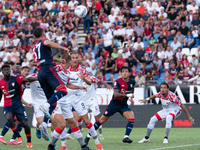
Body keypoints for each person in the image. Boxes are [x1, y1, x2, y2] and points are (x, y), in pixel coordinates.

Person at [33, 27, 69, 142]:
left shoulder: (35, 46)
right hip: (48, 70)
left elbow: (44, 58)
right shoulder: (43, 41)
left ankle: (43, 123)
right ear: (43, 34)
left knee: (53, 102)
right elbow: (48, 42)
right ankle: (46, 105)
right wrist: (63, 47)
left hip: (40, 73)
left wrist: (59, 60)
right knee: (63, 90)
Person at [62, 51, 103, 150]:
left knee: (87, 121)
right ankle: (63, 145)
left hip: (78, 98)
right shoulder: (65, 69)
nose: (75, 59)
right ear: (70, 59)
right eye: (73, 58)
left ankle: (97, 143)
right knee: (62, 122)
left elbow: (89, 83)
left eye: (76, 57)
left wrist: (84, 78)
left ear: (79, 58)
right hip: (66, 97)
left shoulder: (83, 70)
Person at [84, 66, 135, 144]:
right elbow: (116, 94)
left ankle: (126, 137)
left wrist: (131, 99)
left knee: (131, 118)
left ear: (129, 73)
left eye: (126, 71)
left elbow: (131, 91)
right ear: (121, 73)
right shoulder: (117, 81)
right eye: (123, 71)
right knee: (101, 120)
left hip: (123, 105)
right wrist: (128, 96)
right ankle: (88, 137)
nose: (124, 73)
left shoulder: (132, 82)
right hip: (114, 104)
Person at [0, 64, 37, 147]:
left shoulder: (21, 81)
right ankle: (13, 137)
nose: (27, 72)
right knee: (10, 118)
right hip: (9, 105)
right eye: (25, 71)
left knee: (24, 123)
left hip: (18, 105)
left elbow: (20, 96)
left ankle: (25, 141)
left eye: (28, 71)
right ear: (21, 71)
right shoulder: (18, 78)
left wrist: (27, 103)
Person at [78, 75, 113, 140]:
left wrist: (106, 84)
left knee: (97, 118)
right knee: (79, 117)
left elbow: (99, 81)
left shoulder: (91, 78)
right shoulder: (78, 79)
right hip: (84, 101)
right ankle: (80, 129)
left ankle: (100, 134)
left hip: (93, 101)